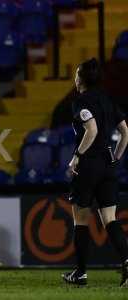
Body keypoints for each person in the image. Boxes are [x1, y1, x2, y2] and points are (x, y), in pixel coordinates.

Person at [63, 58, 128, 286]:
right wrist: (116, 157)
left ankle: (80, 273)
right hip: (108, 165)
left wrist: (77, 157)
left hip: (88, 165)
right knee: (109, 219)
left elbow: (91, 130)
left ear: (80, 78)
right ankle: (127, 262)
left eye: (76, 73)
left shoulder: (80, 101)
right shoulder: (108, 99)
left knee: (81, 220)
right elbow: (125, 131)